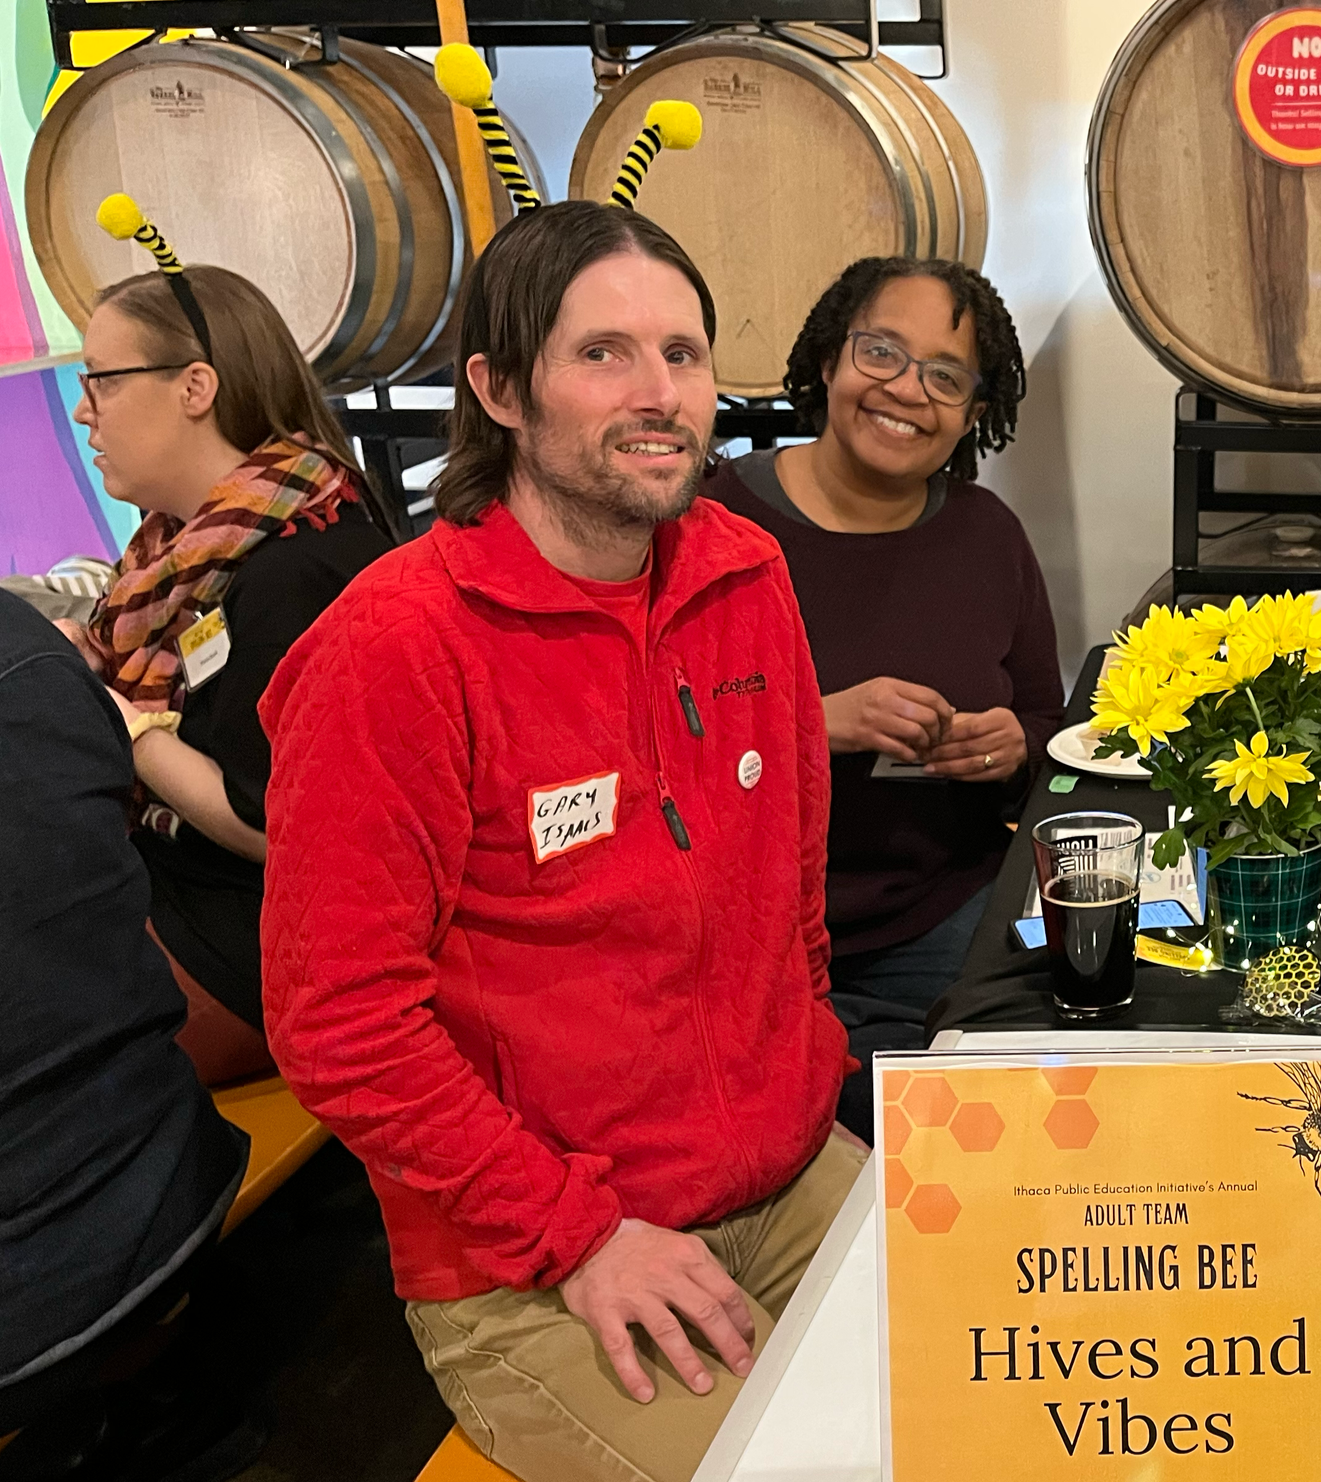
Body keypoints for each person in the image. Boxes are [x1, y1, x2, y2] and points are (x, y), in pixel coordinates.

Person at [257, 186, 856, 1480]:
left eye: (682, 353)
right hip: (537, 1254)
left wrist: (803, 1058)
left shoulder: (747, 574)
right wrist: (580, 1235)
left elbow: (790, 874)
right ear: (502, 390)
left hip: (790, 1164)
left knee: (1020, 1396)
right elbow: (338, 1021)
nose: (662, 393)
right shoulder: (395, 648)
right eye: (604, 353)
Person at [704, 256, 1059, 1096]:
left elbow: (1049, 721)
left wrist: (1012, 748)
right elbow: (634, 743)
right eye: (881, 352)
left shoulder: (987, 536)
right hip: (741, 941)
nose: (906, 390)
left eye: (944, 375)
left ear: (975, 411)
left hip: (940, 917)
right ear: (829, 358)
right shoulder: (711, 526)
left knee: (1039, 1096)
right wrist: (814, 723)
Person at [57, 236, 393, 1087]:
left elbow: (277, 828)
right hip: (177, 892)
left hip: (253, 951)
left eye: (102, 379)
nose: (82, 410)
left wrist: (123, 722)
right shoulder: (179, 553)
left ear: (195, 387)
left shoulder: (299, 566)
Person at [0, 589, 247, 1436]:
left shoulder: (278, 574)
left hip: (52, 1288)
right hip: (178, 1176)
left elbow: (266, 822)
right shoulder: (30, 640)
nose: (93, 442)